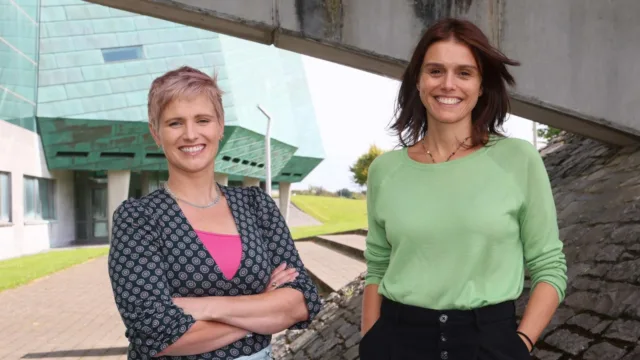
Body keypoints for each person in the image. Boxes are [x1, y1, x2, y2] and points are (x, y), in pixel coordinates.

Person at [359, 18, 567, 360]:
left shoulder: (518, 160)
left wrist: (520, 344)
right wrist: (371, 341)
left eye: (464, 73)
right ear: (419, 81)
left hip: (490, 341)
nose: (448, 84)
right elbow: (377, 267)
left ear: (482, 85)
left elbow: (549, 265)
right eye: (436, 71)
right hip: (396, 342)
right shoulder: (385, 171)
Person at [107, 66, 322, 360]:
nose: (191, 134)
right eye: (174, 123)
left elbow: (302, 302)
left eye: (203, 120)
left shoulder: (256, 205)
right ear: (156, 134)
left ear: (220, 126)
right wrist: (263, 308)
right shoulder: (139, 218)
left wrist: (207, 307)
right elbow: (153, 332)